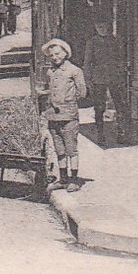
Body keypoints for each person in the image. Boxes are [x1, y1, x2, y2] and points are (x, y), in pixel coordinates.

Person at [39, 38, 89, 192]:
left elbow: (83, 92)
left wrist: (68, 100)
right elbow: (48, 89)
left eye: (58, 53)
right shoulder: (49, 71)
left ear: (66, 53)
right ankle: (63, 178)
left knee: (71, 149)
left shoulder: (74, 71)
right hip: (53, 116)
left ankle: (74, 180)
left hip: (68, 116)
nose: (55, 57)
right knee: (59, 149)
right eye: (51, 55)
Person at [82, 21, 129, 148]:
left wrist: (121, 74)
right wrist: (88, 80)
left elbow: (122, 58)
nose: (102, 29)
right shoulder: (92, 43)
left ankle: (121, 132)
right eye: (99, 26)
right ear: (95, 27)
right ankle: (100, 134)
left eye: (104, 26)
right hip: (98, 79)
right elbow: (87, 63)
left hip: (115, 78)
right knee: (99, 108)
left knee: (120, 106)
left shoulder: (115, 41)